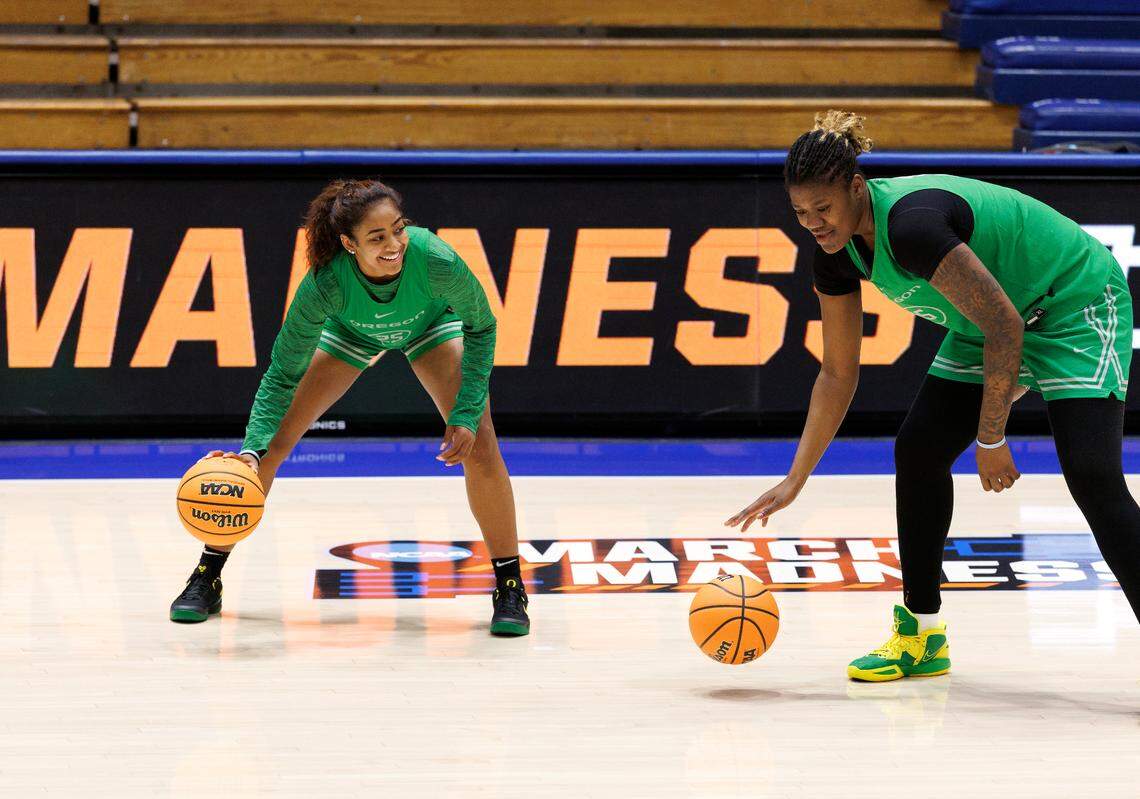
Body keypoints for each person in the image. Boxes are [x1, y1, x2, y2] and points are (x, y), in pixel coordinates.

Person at [726, 110, 1140, 681]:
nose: (814, 224)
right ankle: (921, 637)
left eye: (823, 209)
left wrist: (990, 436)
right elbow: (838, 374)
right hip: (995, 316)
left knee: (1093, 478)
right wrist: (796, 478)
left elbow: (1006, 328)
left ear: (856, 186)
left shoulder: (913, 228)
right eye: (801, 213)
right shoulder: (835, 255)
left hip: (1074, 301)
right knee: (918, 450)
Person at [169, 178, 530, 636]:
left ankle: (510, 585)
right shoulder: (326, 284)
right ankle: (208, 574)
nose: (394, 244)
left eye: (398, 230)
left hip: (429, 326)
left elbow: (481, 326)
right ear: (348, 244)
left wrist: (464, 414)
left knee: (480, 444)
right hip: (352, 334)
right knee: (271, 447)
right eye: (377, 238)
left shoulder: (435, 260)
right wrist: (251, 448)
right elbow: (282, 373)